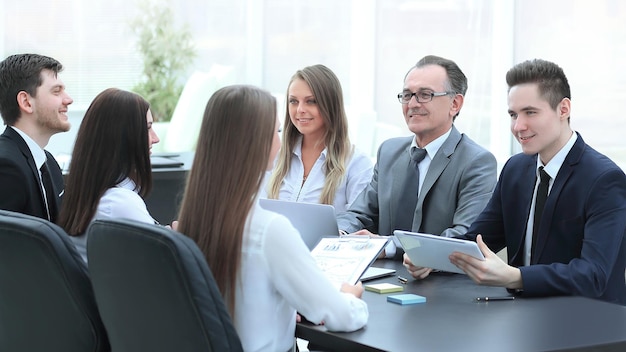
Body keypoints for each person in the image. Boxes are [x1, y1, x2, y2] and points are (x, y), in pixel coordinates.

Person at [176, 85, 368, 352]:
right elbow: (342, 316)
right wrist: (348, 297)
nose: (281, 142)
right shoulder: (269, 231)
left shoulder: (193, 221)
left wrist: (287, 305)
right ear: (256, 143)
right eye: (276, 132)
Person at [447, 59, 626, 305]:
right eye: (513, 114)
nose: (518, 126)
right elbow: (478, 240)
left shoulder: (605, 180)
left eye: (530, 112)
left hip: (589, 323)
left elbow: (593, 275)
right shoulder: (515, 169)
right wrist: (427, 257)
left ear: (563, 109)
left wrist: (516, 276)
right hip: (524, 315)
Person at [337, 55, 497, 269]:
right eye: (407, 95)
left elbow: (464, 235)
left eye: (424, 95)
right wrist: (342, 232)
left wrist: (392, 246)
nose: (412, 104)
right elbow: (360, 213)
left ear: (455, 103)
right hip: (381, 279)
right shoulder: (389, 152)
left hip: (441, 286)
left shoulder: (476, 161)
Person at [56, 88, 160, 263]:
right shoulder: (119, 203)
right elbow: (168, 263)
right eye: (148, 128)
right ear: (124, 137)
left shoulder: (91, 195)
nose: (155, 138)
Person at [265, 64, 372, 213]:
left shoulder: (356, 163)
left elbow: (357, 221)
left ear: (330, 105)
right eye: (293, 101)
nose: (300, 109)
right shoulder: (275, 156)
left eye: (311, 101)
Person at [0, 53, 72, 221]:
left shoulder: (50, 164)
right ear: (26, 102)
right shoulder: (6, 166)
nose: (68, 100)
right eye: (56, 92)